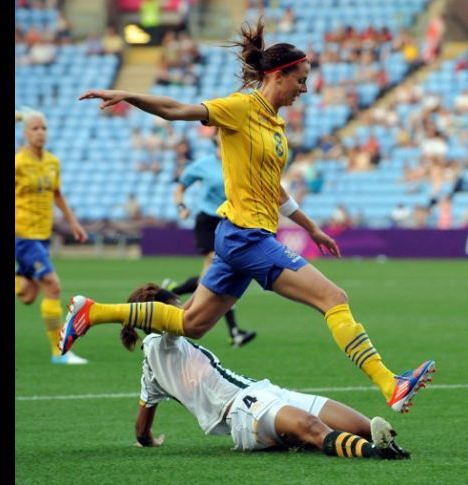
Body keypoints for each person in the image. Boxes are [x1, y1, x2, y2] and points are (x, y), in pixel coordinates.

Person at [66, 18, 435, 413]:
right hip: (246, 236)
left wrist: (313, 229)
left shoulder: (276, 124)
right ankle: (389, 384)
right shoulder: (239, 108)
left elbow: (274, 189)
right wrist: (127, 94)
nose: (304, 89)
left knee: (192, 324)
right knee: (333, 298)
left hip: (240, 236)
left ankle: (93, 310)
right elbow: (178, 110)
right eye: (301, 80)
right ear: (278, 75)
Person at [123, 283, 410, 459]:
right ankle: (375, 453)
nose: (183, 309)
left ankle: (298, 440)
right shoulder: (162, 342)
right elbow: (178, 320)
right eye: (176, 305)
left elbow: (141, 427)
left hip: (263, 392)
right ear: (161, 314)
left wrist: (148, 440)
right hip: (242, 410)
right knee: (312, 427)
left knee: (360, 426)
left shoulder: (153, 367)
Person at [15, 108, 89, 365]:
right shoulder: (18, 162)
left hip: (42, 234)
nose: (40, 133)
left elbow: (57, 194)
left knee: (26, 294)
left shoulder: (52, 162)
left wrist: (73, 223)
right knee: (52, 285)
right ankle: (59, 352)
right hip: (22, 235)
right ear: (25, 133)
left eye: (44, 128)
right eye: (35, 128)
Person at [162, 151, 257, 348]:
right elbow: (180, 186)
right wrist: (181, 207)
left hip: (230, 220)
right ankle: (232, 331)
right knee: (217, 266)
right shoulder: (204, 164)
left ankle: (174, 291)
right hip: (207, 220)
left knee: (220, 274)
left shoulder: (239, 160)